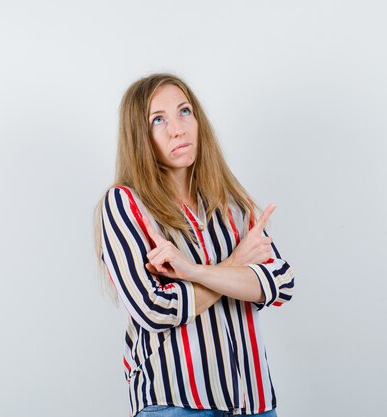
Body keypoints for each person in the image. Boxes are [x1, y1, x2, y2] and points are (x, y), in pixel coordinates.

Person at [96, 73, 295, 417]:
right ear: (139, 136)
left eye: (184, 111)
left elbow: (279, 283)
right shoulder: (126, 204)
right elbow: (154, 308)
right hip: (176, 402)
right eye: (158, 120)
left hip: (254, 401)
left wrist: (191, 273)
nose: (178, 128)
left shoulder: (232, 203)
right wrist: (235, 267)